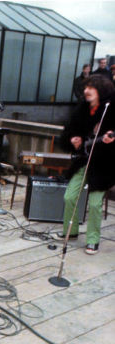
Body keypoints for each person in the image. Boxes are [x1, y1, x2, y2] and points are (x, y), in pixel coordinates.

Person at [59, 75, 115, 254]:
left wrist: (111, 138)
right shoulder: (81, 109)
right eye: (86, 87)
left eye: (92, 87)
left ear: (101, 91)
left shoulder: (111, 108)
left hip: (103, 165)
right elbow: (69, 132)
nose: (86, 91)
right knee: (69, 197)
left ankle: (93, 239)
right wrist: (73, 140)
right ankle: (71, 231)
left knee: (95, 204)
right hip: (83, 160)